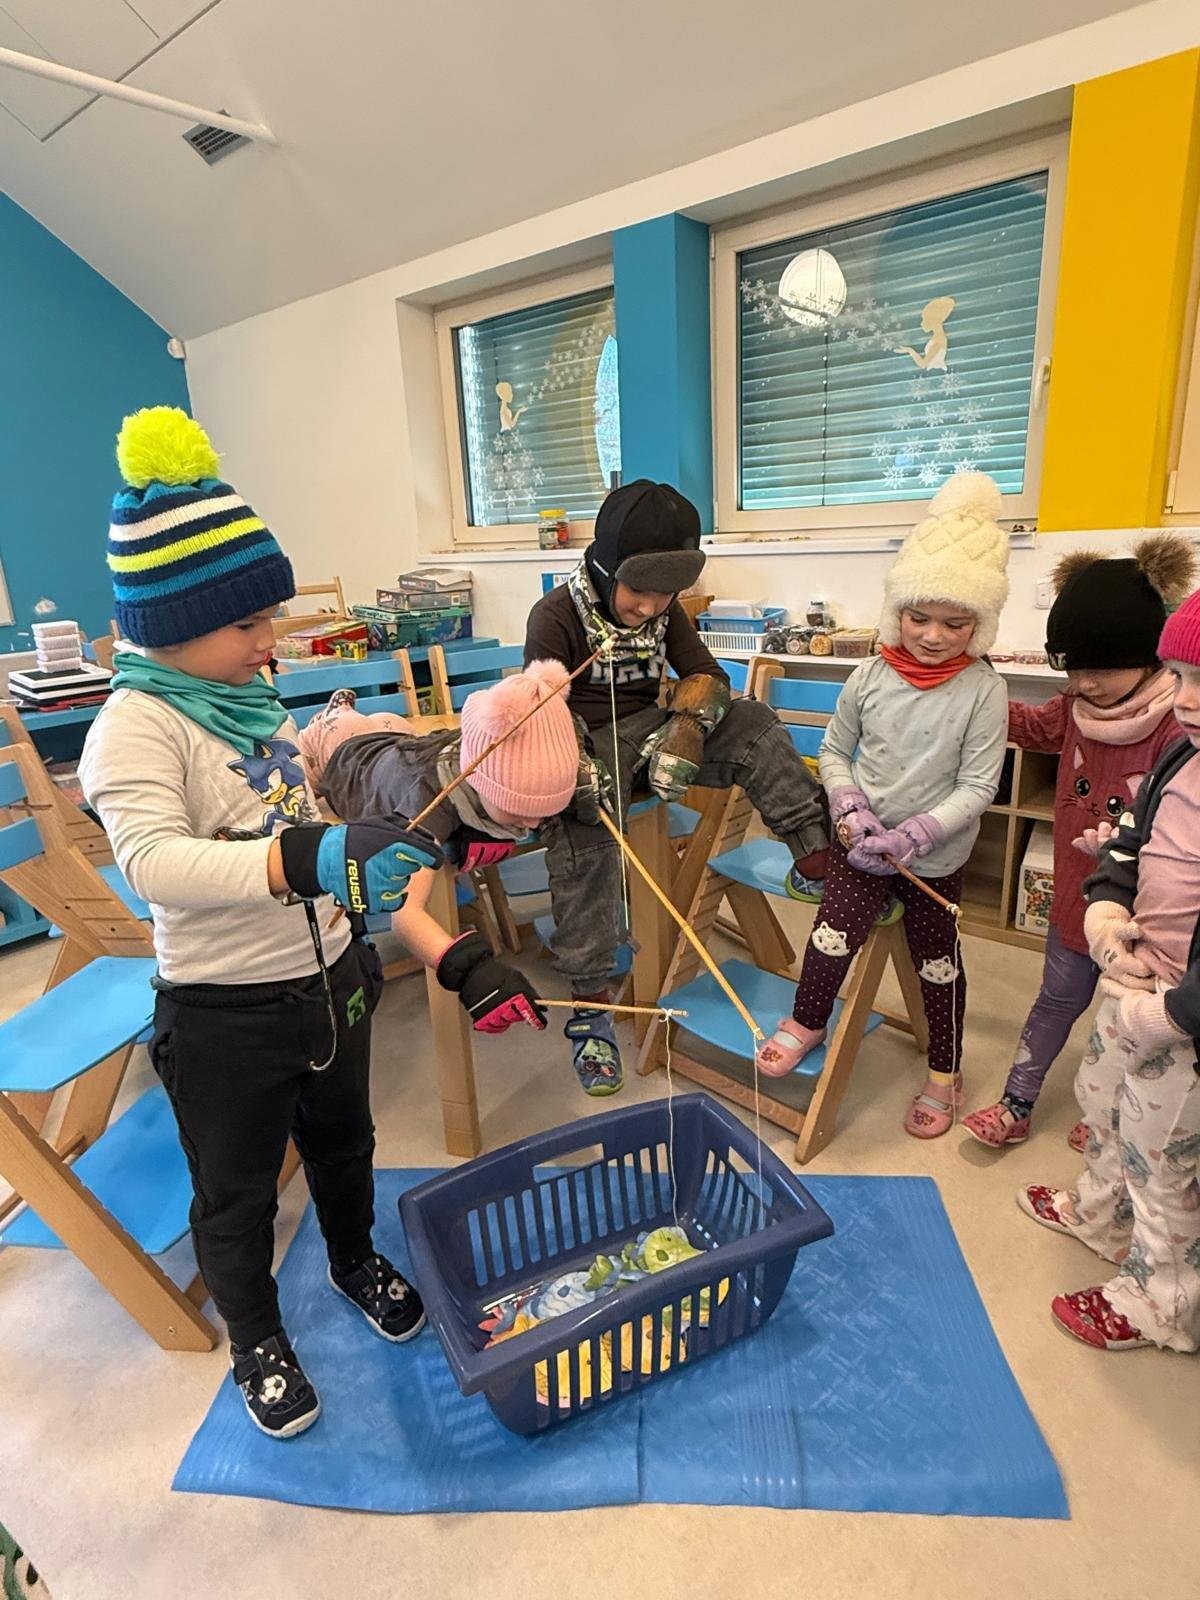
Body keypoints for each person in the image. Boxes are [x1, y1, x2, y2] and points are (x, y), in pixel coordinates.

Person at [80, 407, 440, 1440]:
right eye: (248, 625)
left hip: (329, 977)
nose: (269, 642)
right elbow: (155, 864)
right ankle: (256, 1336)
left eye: (268, 620)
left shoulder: (255, 702)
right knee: (235, 1193)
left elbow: (298, 813)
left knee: (347, 1144)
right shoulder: (133, 727)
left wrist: (355, 868)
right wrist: (305, 861)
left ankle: (352, 1258)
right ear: (172, 624)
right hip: (223, 1014)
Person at [522, 478, 830, 1095]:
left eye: (666, 595)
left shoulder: (665, 613)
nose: (650, 607)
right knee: (582, 834)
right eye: (639, 592)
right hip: (583, 751)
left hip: (654, 735)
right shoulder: (554, 615)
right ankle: (591, 1007)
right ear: (605, 569)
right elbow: (539, 710)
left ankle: (817, 857)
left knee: (754, 721)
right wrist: (575, 768)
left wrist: (688, 727)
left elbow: (706, 674)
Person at [755, 472, 1010, 1138]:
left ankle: (945, 1070)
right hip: (858, 845)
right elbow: (835, 750)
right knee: (831, 937)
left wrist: (917, 834)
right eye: (919, 616)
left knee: (938, 962)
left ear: (979, 625)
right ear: (896, 609)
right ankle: (807, 1021)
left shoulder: (985, 691)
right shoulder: (869, 674)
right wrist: (847, 806)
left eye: (955, 622)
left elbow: (980, 785)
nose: (933, 635)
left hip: (935, 858)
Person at [964, 535, 1195, 1149]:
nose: (1084, 683)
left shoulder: (1179, 727)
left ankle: (1108, 1117)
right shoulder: (1072, 706)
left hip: (1148, 918)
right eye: (1073, 669)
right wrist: (976, 690)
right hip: (1077, 897)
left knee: (1128, 1022)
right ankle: (1017, 1102)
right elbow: (1031, 727)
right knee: (1055, 1000)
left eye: (1101, 670)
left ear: (1150, 659)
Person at [1017, 586, 1200, 1352]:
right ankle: (1099, 1216)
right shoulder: (1185, 755)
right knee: (1103, 1103)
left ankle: (1162, 1304)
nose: (1186, 701)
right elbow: (1132, 841)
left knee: (1164, 1164)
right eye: (1181, 678)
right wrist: (1105, 905)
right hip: (1134, 977)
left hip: (1182, 1017)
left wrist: (1173, 1013)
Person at [298, 664, 582, 1039]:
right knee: (333, 736)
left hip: (399, 738)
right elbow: (406, 915)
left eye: (543, 812)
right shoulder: (425, 804)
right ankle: (337, 708)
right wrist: (469, 970)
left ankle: (350, 710)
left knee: (380, 725)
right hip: (340, 754)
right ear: (480, 781)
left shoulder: (477, 753)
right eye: (518, 811)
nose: (530, 824)